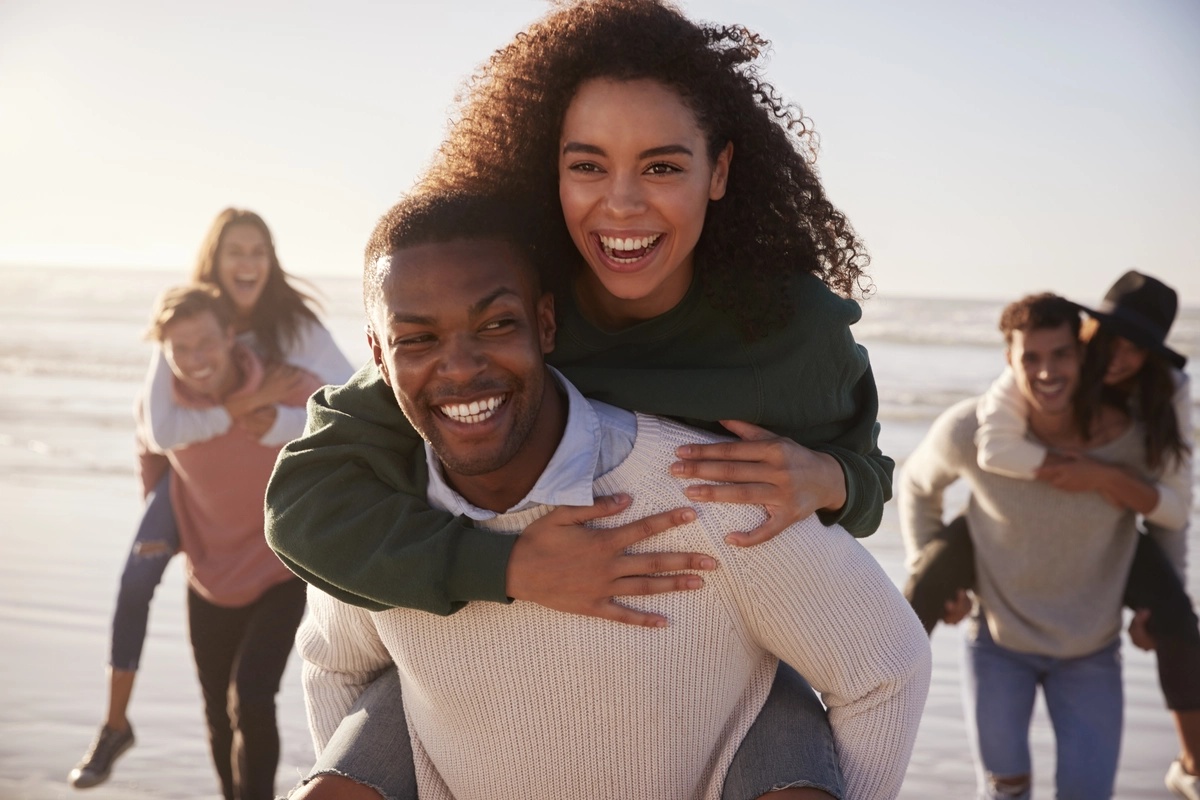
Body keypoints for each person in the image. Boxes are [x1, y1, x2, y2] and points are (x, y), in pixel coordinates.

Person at [270, 2, 889, 793]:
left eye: (662, 166)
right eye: (587, 165)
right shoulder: (502, 323)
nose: (622, 205)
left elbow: (867, 480)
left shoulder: (790, 331)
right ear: (548, 168)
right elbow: (304, 501)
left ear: (721, 170)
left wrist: (832, 479)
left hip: (709, 688)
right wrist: (511, 565)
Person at [296, 190, 930, 800]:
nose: (461, 367)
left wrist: (847, 477)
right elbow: (334, 666)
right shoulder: (373, 522)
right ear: (377, 354)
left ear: (545, 324)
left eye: (496, 324)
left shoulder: (705, 485)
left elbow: (885, 670)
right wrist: (508, 567)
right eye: (417, 339)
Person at [69, 208, 354, 789]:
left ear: (270, 261)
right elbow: (157, 428)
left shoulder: (292, 331)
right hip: (191, 500)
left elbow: (348, 404)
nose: (247, 263)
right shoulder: (189, 320)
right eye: (235, 251)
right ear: (215, 261)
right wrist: (168, 488)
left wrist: (273, 418)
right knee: (137, 582)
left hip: (272, 533)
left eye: (258, 251)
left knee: (249, 695)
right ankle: (114, 721)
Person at [904, 272, 1198, 798]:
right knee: (1004, 791)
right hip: (999, 644)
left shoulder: (1139, 435)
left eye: (1060, 355)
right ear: (1010, 362)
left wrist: (1165, 603)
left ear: (1078, 353)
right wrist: (929, 564)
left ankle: (1192, 766)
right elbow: (916, 485)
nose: (1046, 371)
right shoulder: (973, 428)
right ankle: (866, 728)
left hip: (1090, 651)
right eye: (1031, 359)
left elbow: (1170, 520)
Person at [135, 284, 318, 799]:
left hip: (279, 570)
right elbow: (150, 455)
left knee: (252, 698)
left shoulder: (285, 383)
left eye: (205, 343)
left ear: (231, 336)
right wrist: (164, 531)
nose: (195, 360)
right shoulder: (168, 410)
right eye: (180, 349)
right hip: (208, 577)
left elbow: (341, 429)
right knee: (217, 711)